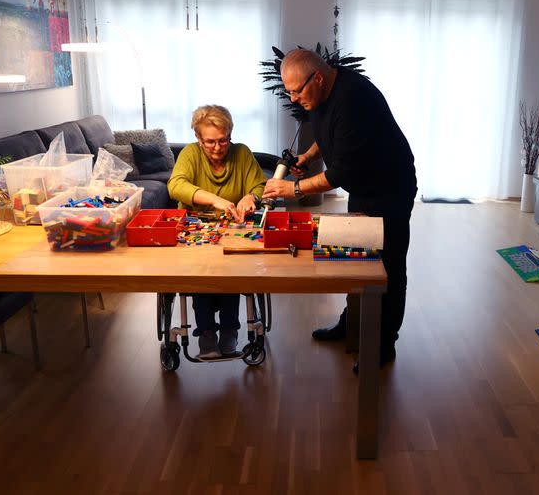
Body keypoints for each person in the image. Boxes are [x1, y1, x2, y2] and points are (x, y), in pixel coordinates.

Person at [262, 49, 417, 373]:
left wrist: (294, 189)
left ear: (317, 78)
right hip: (363, 187)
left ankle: (383, 345)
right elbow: (326, 132)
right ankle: (351, 325)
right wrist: (308, 155)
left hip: (390, 188)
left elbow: (341, 174)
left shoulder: (356, 99)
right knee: (358, 257)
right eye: (287, 90)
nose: (292, 98)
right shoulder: (320, 95)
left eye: (296, 91)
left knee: (387, 267)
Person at [168, 105, 266, 359]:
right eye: (209, 141)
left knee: (230, 271)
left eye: (223, 140)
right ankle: (207, 333)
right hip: (196, 230)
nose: (217, 147)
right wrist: (213, 199)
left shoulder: (242, 153)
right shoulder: (190, 154)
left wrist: (250, 196)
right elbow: (176, 185)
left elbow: (259, 184)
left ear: (230, 135)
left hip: (234, 229)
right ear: (198, 139)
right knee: (202, 274)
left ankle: (230, 330)